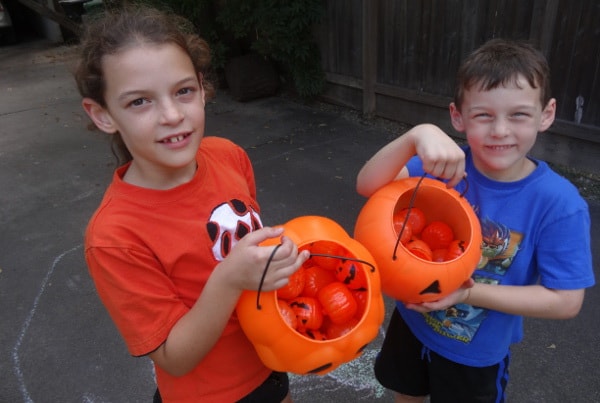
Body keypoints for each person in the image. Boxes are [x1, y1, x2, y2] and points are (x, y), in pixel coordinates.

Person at [73, 6, 309, 403]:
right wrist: (229, 278)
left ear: (202, 88)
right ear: (102, 114)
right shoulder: (114, 236)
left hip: (272, 361)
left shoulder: (228, 156)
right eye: (139, 102)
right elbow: (174, 359)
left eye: (183, 91)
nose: (171, 115)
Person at [357, 38, 595, 402]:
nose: (500, 130)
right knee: (404, 393)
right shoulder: (443, 165)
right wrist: (416, 135)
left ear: (546, 114)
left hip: (476, 357)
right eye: (483, 115)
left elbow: (565, 301)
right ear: (458, 117)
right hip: (412, 325)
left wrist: (469, 292)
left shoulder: (559, 204)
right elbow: (367, 185)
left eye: (518, 114)